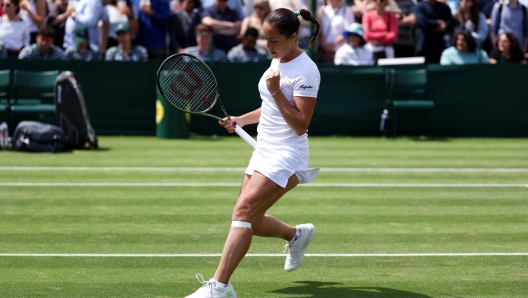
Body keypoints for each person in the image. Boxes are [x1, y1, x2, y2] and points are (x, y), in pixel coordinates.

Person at [184, 8, 321, 298]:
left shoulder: (306, 71)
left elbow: (299, 124)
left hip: (287, 155)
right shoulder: (277, 61)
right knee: (251, 219)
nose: (268, 46)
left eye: (274, 40)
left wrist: (274, 92)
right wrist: (242, 120)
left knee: (242, 212)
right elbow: (270, 109)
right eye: (265, 39)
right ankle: (296, 234)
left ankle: (219, 286)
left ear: (293, 37)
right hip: (264, 150)